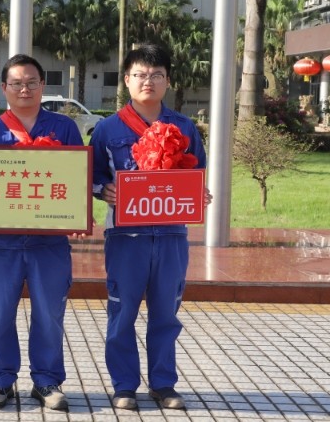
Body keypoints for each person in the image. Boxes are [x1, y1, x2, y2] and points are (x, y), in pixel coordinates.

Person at [90, 43, 208, 411]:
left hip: (171, 234)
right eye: (140, 74)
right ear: (126, 80)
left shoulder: (184, 126)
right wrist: (102, 189)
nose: (148, 81)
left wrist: (198, 193)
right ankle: (124, 386)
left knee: (165, 313)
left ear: (167, 81)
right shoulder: (107, 129)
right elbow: (90, 175)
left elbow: (196, 171)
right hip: (125, 235)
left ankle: (163, 384)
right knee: (122, 312)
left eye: (157, 75)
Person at [0, 54, 83, 411]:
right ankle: (0, 381)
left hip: (49, 242)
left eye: (32, 82)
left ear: (42, 86)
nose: (24, 89)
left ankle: (47, 381)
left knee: (49, 314)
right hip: (0, 243)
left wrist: (78, 214)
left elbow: (80, 178)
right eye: (16, 83)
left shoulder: (64, 128)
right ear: (4, 88)